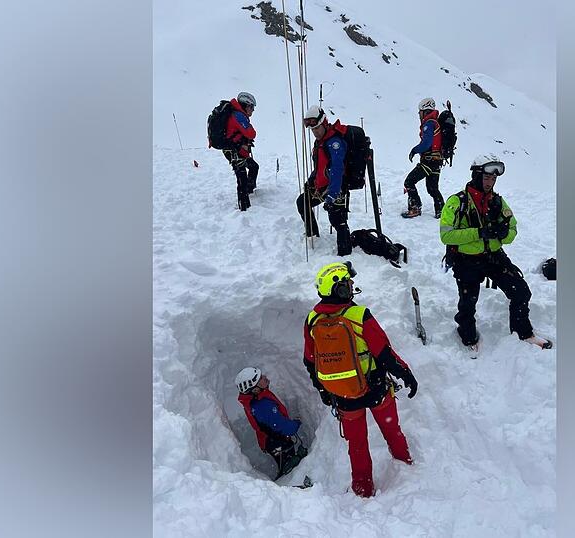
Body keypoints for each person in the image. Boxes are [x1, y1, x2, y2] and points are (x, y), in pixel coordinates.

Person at [302, 262, 419, 498]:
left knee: (357, 445)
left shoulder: (312, 320)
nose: (352, 286)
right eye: (348, 283)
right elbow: (384, 353)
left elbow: (310, 361)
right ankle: (404, 462)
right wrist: (406, 374)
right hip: (376, 389)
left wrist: (324, 391)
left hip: (345, 397)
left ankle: (363, 489)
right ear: (340, 289)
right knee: (391, 429)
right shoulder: (359, 315)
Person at [439, 155, 552, 349]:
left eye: (493, 179)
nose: (490, 183)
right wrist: (479, 233)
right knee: (468, 302)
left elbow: (513, 229)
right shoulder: (457, 202)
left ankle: (522, 333)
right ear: (476, 176)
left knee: (521, 291)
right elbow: (446, 236)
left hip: (493, 256)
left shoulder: (498, 202)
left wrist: (503, 234)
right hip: (466, 259)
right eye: (486, 178)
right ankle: (467, 336)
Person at [296, 105, 353, 255]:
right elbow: (320, 166)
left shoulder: (334, 142)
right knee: (303, 202)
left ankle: (345, 253)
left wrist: (333, 194)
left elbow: (337, 168)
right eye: (312, 130)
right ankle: (313, 236)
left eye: (317, 128)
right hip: (321, 187)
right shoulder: (320, 142)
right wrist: (311, 180)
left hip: (337, 188)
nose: (315, 132)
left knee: (337, 220)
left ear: (324, 123)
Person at [235, 367, 308, 478]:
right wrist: (297, 423)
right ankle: (285, 487)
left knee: (285, 464)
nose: (265, 378)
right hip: (277, 442)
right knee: (289, 469)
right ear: (254, 388)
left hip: (270, 440)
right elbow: (283, 427)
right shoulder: (263, 406)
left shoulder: (256, 398)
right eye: (260, 379)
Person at [401, 97, 446, 219]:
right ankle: (441, 211)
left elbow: (426, 143)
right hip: (437, 161)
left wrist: (414, 150)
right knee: (432, 188)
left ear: (424, 111)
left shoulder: (429, 123)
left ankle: (415, 207)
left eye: (419, 112)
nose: (419, 115)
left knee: (409, 181)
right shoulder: (436, 123)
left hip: (429, 161)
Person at [223, 92, 259, 211]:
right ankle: (244, 208)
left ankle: (249, 192)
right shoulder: (238, 116)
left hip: (238, 151)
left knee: (254, 167)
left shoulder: (238, 114)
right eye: (251, 107)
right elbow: (251, 133)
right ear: (245, 105)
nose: (253, 110)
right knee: (242, 177)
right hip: (234, 151)